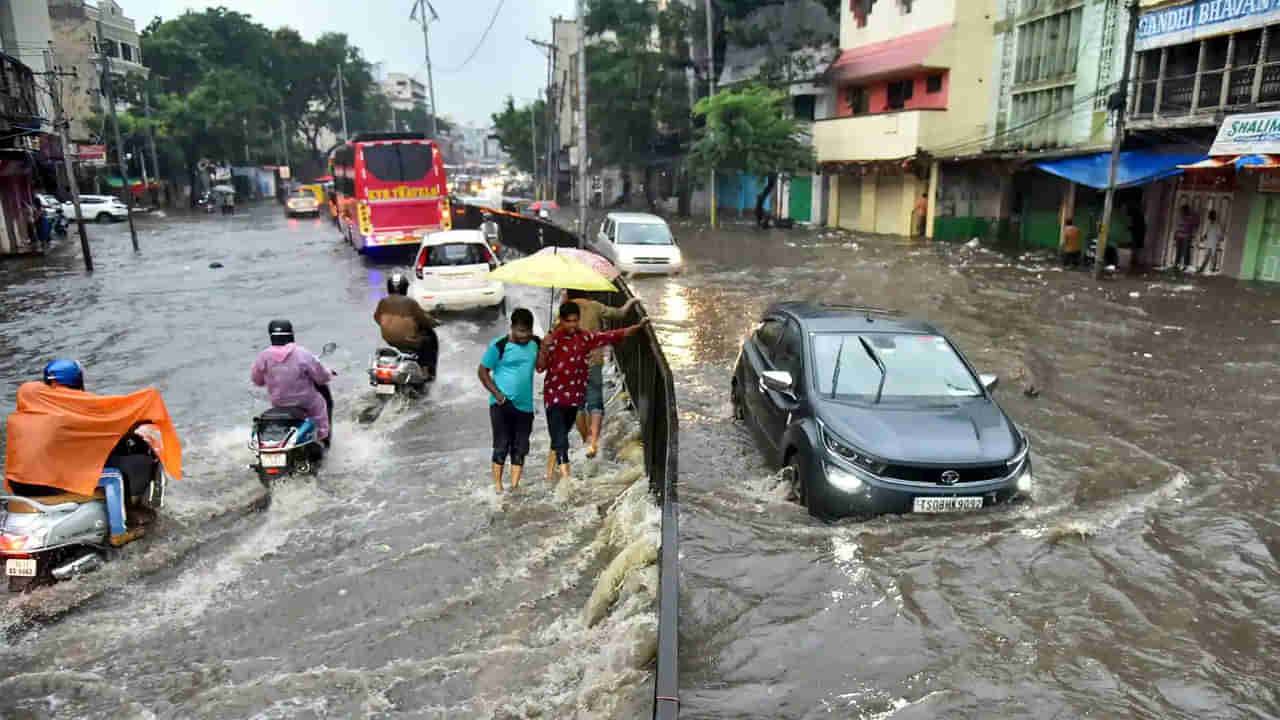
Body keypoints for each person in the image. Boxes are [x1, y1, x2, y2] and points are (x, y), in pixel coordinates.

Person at [537, 301, 649, 484]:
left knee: (560, 436)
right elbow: (540, 368)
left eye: (575, 321)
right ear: (561, 320)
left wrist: (637, 327)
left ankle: (550, 475)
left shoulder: (585, 338)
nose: (573, 325)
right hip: (554, 397)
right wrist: (543, 348)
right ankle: (566, 482)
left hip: (574, 397)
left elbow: (612, 335)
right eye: (569, 321)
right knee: (561, 440)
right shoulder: (552, 340)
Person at [559, 289, 641, 459]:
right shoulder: (594, 306)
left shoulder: (565, 310)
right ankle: (594, 442)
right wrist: (630, 303)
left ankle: (585, 440)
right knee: (595, 402)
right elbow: (619, 314)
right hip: (593, 362)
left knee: (579, 405)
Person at [477, 308, 540, 494]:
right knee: (501, 445)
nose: (524, 335)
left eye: (527, 331)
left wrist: (546, 347)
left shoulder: (535, 343)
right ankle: (497, 488)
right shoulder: (499, 345)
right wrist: (498, 395)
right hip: (501, 405)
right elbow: (482, 372)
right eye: (520, 331)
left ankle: (513, 488)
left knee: (520, 447)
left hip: (525, 406)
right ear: (512, 327)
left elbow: (542, 366)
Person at [251, 319, 334, 447]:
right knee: (320, 405)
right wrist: (329, 373)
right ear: (291, 334)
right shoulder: (302, 353)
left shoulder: (263, 356)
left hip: (279, 402)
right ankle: (323, 438)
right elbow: (321, 377)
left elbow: (257, 380)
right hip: (305, 402)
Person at [374, 272, 439, 380]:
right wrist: (435, 322)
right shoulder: (410, 302)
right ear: (404, 288)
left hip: (389, 341)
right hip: (409, 342)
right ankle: (426, 372)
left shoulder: (382, 302)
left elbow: (377, 318)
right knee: (429, 341)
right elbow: (424, 319)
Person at [1174, 203, 1200, 271]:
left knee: (1186, 251)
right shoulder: (1180, 217)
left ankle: (1185, 265)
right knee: (1179, 251)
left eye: (1183, 211)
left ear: (1186, 211)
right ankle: (1177, 264)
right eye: (1182, 211)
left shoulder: (1191, 218)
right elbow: (1177, 227)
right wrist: (1176, 234)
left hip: (1186, 236)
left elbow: (1196, 225)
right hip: (1179, 236)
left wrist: (1191, 233)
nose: (1182, 212)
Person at [1198, 209, 1224, 274]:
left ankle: (1209, 269)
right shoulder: (1209, 224)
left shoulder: (1217, 225)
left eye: (1211, 216)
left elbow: (1220, 236)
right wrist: (1203, 238)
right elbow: (1206, 234)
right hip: (1209, 243)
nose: (1210, 217)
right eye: (1210, 216)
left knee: (1212, 257)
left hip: (1214, 243)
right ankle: (1208, 269)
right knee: (1209, 257)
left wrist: (1219, 241)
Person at [1128, 202, 1146, 270]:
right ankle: (1134, 261)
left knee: (1135, 249)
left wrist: (1130, 228)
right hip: (1138, 235)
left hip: (1136, 235)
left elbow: (1135, 226)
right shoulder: (1140, 217)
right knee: (1136, 250)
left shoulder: (1136, 216)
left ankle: (1134, 261)